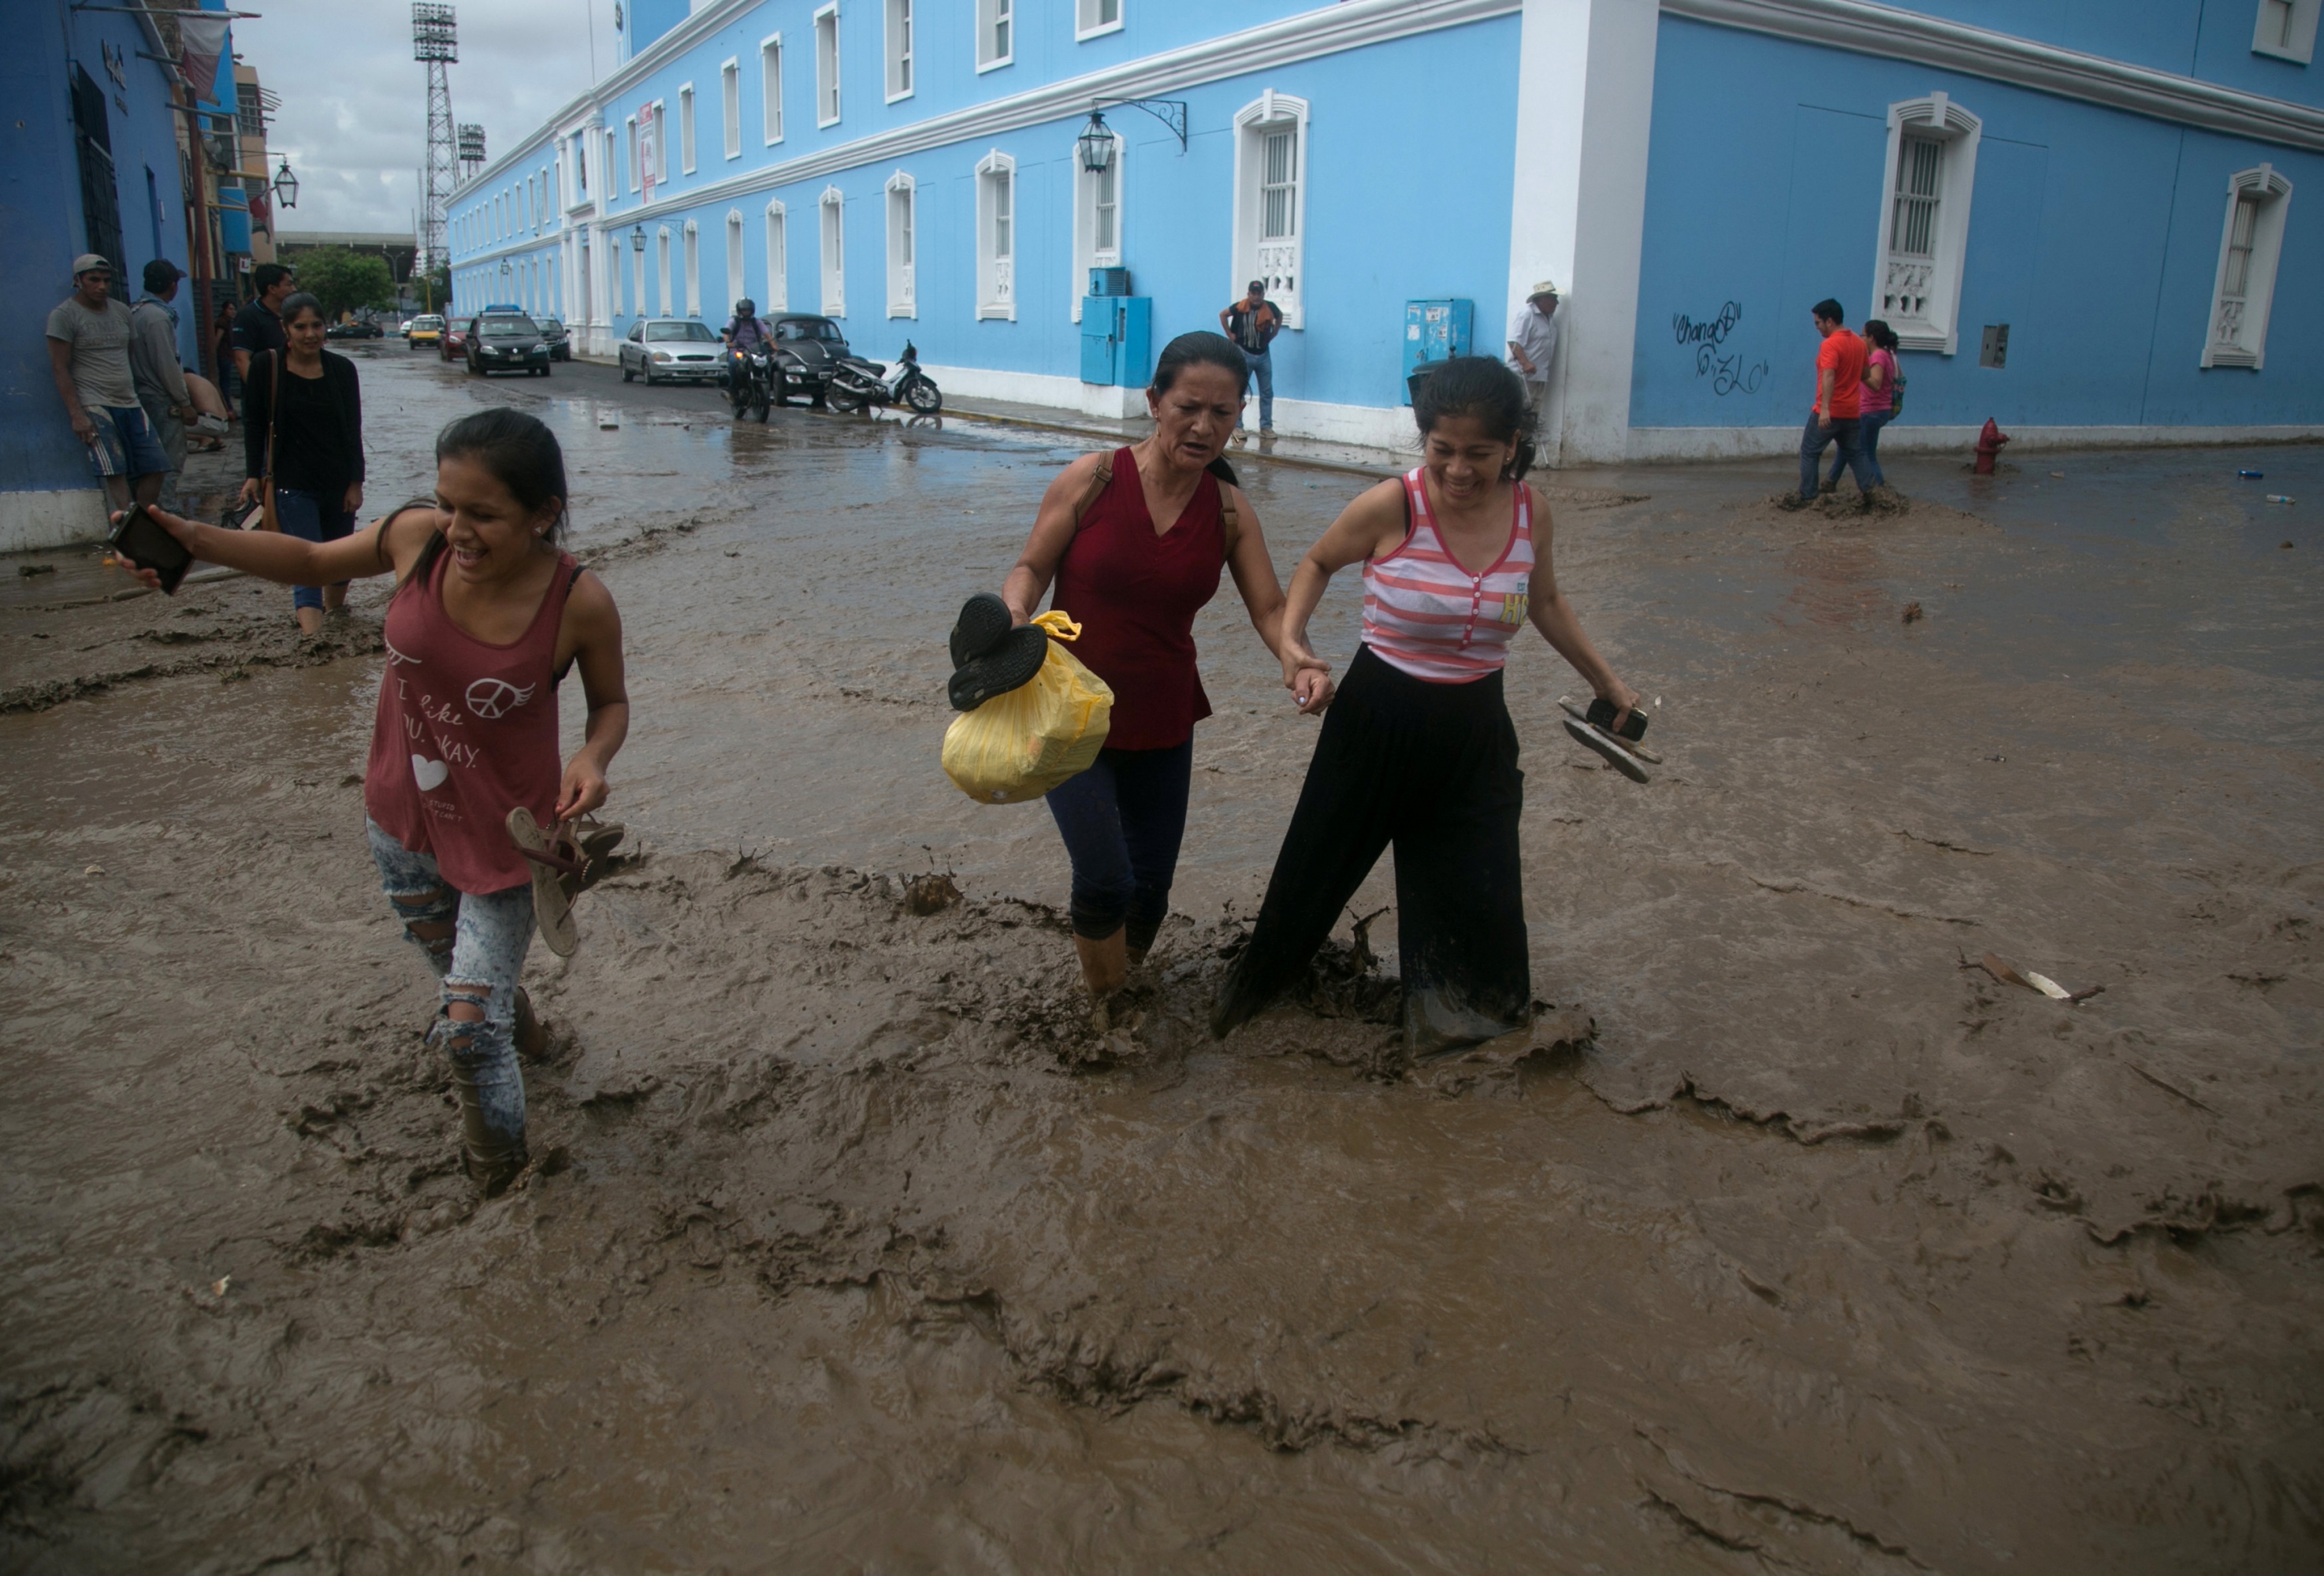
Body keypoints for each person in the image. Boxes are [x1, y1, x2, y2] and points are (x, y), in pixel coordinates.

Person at [112, 408, 631, 1195]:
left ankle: (504, 1188)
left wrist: (591, 757)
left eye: (483, 514)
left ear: (542, 515)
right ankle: (535, 1037)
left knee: (464, 1030)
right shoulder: (414, 539)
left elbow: (610, 704)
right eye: (446, 502)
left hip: (509, 841)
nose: (455, 529)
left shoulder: (579, 601)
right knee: (471, 990)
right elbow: (312, 555)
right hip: (401, 821)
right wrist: (193, 539)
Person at [1210, 356, 1640, 1052]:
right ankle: (1250, 1008)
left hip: (1476, 731)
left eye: (1480, 454)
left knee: (1477, 888)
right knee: (1313, 872)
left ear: (1512, 446)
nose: (1460, 470)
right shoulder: (1394, 503)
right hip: (1376, 718)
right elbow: (1317, 562)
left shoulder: (1532, 513)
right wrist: (1294, 646)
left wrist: (1608, 685)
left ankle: (1467, 1032)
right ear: (1424, 442)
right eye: (1442, 451)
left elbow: (1546, 601)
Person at [990, 331, 1329, 1013]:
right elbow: (1030, 569)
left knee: (1150, 888)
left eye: (1223, 413)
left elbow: (1268, 607)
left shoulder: (1230, 512)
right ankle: (1104, 1013)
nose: (1204, 426)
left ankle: (1123, 981)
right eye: (1188, 407)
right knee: (1105, 875)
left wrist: (1298, 659)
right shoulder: (1091, 480)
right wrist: (1015, 613)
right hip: (1066, 714)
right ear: (1154, 402)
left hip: (1164, 715)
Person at [241, 292, 366, 633]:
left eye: (317, 325)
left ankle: (337, 619)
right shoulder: (266, 367)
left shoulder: (342, 370)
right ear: (285, 329)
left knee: (341, 561)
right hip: (291, 483)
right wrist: (253, 474)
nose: (310, 334)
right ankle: (313, 642)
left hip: (338, 482)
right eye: (300, 327)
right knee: (308, 561)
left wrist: (356, 482)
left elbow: (353, 428)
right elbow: (253, 424)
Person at [45, 254, 171, 515]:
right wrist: (77, 414)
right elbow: (60, 367)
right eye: (94, 280)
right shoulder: (65, 315)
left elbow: (131, 354)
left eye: (106, 280)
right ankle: (126, 535)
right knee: (115, 470)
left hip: (130, 401)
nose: (101, 286)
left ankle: (141, 522)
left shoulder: (122, 312)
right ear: (78, 281)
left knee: (157, 465)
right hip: (95, 404)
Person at [1785, 298, 1874, 507]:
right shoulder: (1859, 344)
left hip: (1829, 411)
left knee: (1809, 452)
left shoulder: (1830, 344)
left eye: (1818, 323)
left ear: (1830, 321)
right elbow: (1865, 374)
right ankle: (1874, 495)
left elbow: (1829, 376)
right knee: (1856, 454)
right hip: (1852, 412)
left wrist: (1825, 409)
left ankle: (1808, 498)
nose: (1817, 328)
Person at [128, 259, 195, 514]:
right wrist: (184, 402)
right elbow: (166, 365)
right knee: (169, 460)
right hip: (160, 398)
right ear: (172, 286)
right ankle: (166, 512)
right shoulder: (156, 317)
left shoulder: (137, 311)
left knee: (152, 461)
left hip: (144, 395)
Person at [1835, 318, 1899, 492]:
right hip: (1876, 410)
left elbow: (1876, 383)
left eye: (1863, 334)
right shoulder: (1887, 355)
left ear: (1871, 337)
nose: (1860, 337)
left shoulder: (1878, 356)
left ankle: (1879, 490)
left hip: (1872, 411)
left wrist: (1858, 373)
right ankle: (1830, 481)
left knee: (1867, 454)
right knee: (1845, 447)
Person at [1218, 281, 1284, 437]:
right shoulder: (1241, 307)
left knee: (1267, 391)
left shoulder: (1269, 308)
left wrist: (1274, 332)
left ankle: (1266, 427)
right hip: (1243, 353)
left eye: (1259, 293)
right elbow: (1223, 314)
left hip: (1263, 355)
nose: (1256, 297)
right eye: (1253, 293)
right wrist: (1230, 334)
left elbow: (1279, 315)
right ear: (1249, 294)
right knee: (1239, 391)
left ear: (1263, 294)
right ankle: (1238, 426)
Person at [231, 261, 296, 390]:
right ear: (272, 288)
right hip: (266, 392)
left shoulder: (292, 313)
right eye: (289, 284)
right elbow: (241, 360)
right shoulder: (248, 316)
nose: (294, 289)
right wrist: (258, 393)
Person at [1505, 278, 1562, 415]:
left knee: (1534, 410)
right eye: (1554, 299)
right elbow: (1514, 341)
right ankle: (1519, 436)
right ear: (1542, 300)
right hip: (1523, 374)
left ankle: (1530, 437)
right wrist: (1525, 363)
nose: (1557, 303)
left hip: (1540, 373)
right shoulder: (1527, 315)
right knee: (1522, 409)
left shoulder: (1549, 317)